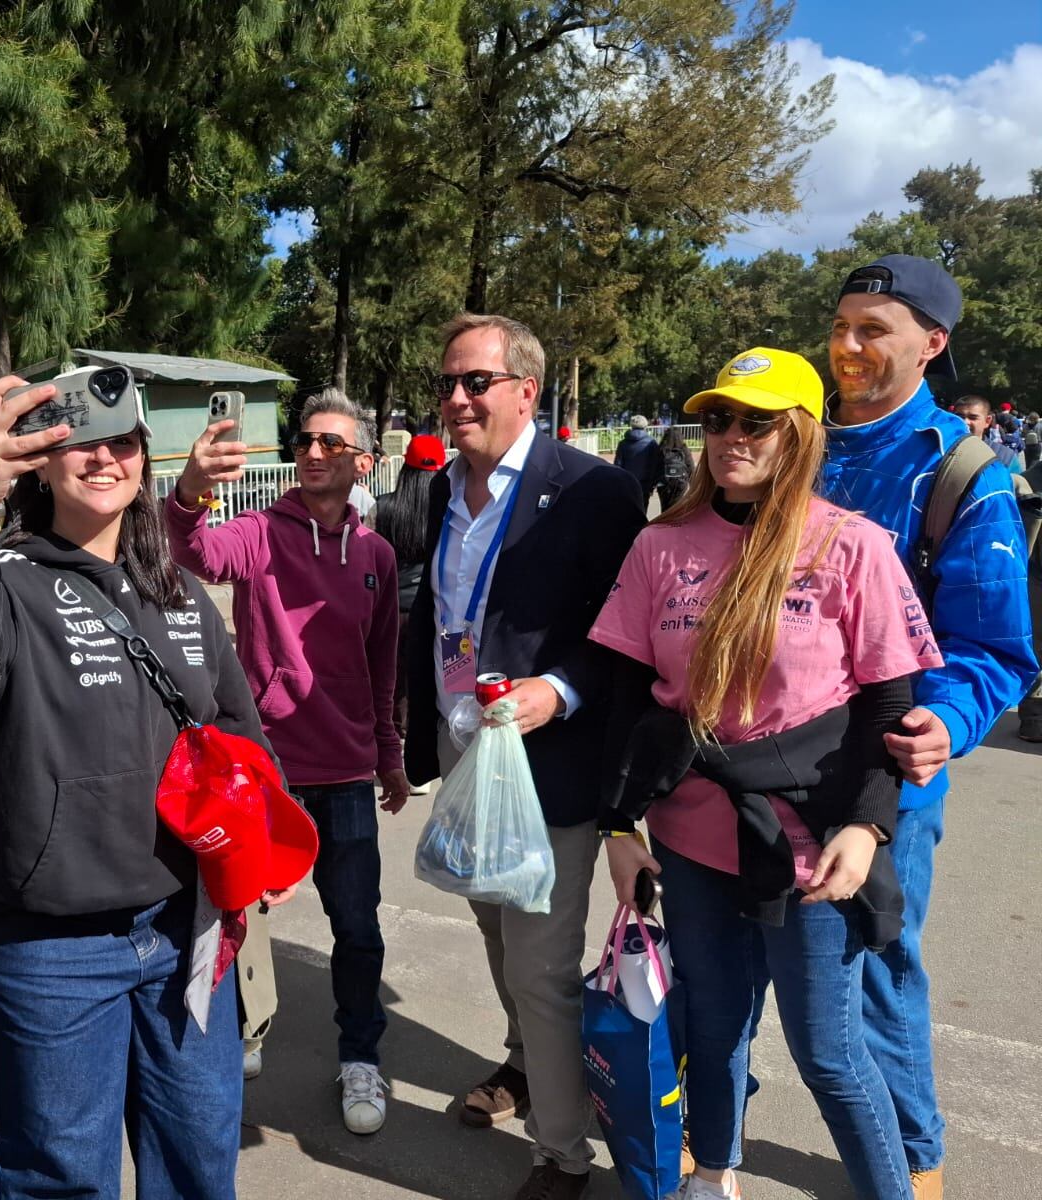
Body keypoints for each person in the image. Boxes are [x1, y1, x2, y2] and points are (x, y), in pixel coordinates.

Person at [0, 374, 295, 1200]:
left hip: (188, 928)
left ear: (145, 460)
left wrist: (261, 841)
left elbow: (236, 729)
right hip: (53, 949)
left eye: (122, 443)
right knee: (59, 1178)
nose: (103, 459)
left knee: (198, 1158)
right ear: (43, 463)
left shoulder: (180, 592)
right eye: (80, 442)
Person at [594, 347, 941, 1200]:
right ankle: (713, 1176)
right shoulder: (660, 544)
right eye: (718, 419)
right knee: (713, 1028)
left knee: (829, 1053)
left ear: (801, 434)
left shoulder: (851, 544)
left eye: (757, 422)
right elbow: (624, 702)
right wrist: (618, 828)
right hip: (690, 839)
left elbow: (889, 708)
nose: (732, 437)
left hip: (812, 846)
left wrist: (868, 826)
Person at [404, 313, 645, 1200]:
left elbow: (625, 633)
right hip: (464, 747)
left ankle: (563, 1156)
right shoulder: (439, 487)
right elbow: (438, 614)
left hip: (548, 759)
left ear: (526, 391)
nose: (456, 398)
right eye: (447, 383)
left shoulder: (593, 491)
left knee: (541, 968)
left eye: (476, 382)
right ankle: (526, 1064)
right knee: (495, 930)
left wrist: (561, 689)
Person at [824, 254, 1036, 1199]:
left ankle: (914, 1160)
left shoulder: (963, 472)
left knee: (876, 968)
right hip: (760, 761)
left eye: (874, 329)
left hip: (884, 775)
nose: (848, 345)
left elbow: (994, 647)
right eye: (841, 326)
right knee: (740, 956)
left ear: (931, 342)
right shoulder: (795, 442)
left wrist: (945, 719)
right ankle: (717, 1132)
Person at [165, 387, 406, 1135]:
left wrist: (390, 756)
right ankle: (244, 1029)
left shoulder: (376, 555)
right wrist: (193, 488)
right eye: (304, 440)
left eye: (331, 442)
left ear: (364, 462)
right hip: (266, 771)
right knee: (238, 914)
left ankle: (360, 1056)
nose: (311, 451)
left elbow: (383, 668)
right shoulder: (261, 533)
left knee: (357, 927)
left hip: (347, 773)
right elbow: (193, 551)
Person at [374, 433, 447, 740]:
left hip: (392, 609)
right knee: (450, 676)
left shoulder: (383, 507)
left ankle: (397, 739)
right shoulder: (453, 508)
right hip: (444, 610)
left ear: (404, 467)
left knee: (393, 677)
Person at [950, 394, 1022, 473]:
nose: (965, 422)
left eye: (973, 418)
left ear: (987, 421)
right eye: (960, 417)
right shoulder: (943, 450)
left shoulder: (1005, 456)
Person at [614, 413, 664, 499]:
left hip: (627, 483)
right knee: (642, 505)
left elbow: (618, 465)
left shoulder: (622, 443)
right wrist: (653, 484)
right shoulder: (652, 443)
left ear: (632, 426)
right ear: (645, 426)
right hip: (645, 485)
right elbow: (656, 465)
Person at [656, 424, 695, 511]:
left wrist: (653, 483)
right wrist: (693, 485)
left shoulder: (661, 449)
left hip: (664, 482)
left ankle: (665, 518)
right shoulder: (684, 450)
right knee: (676, 507)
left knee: (664, 508)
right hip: (680, 482)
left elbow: (656, 467)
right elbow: (691, 467)